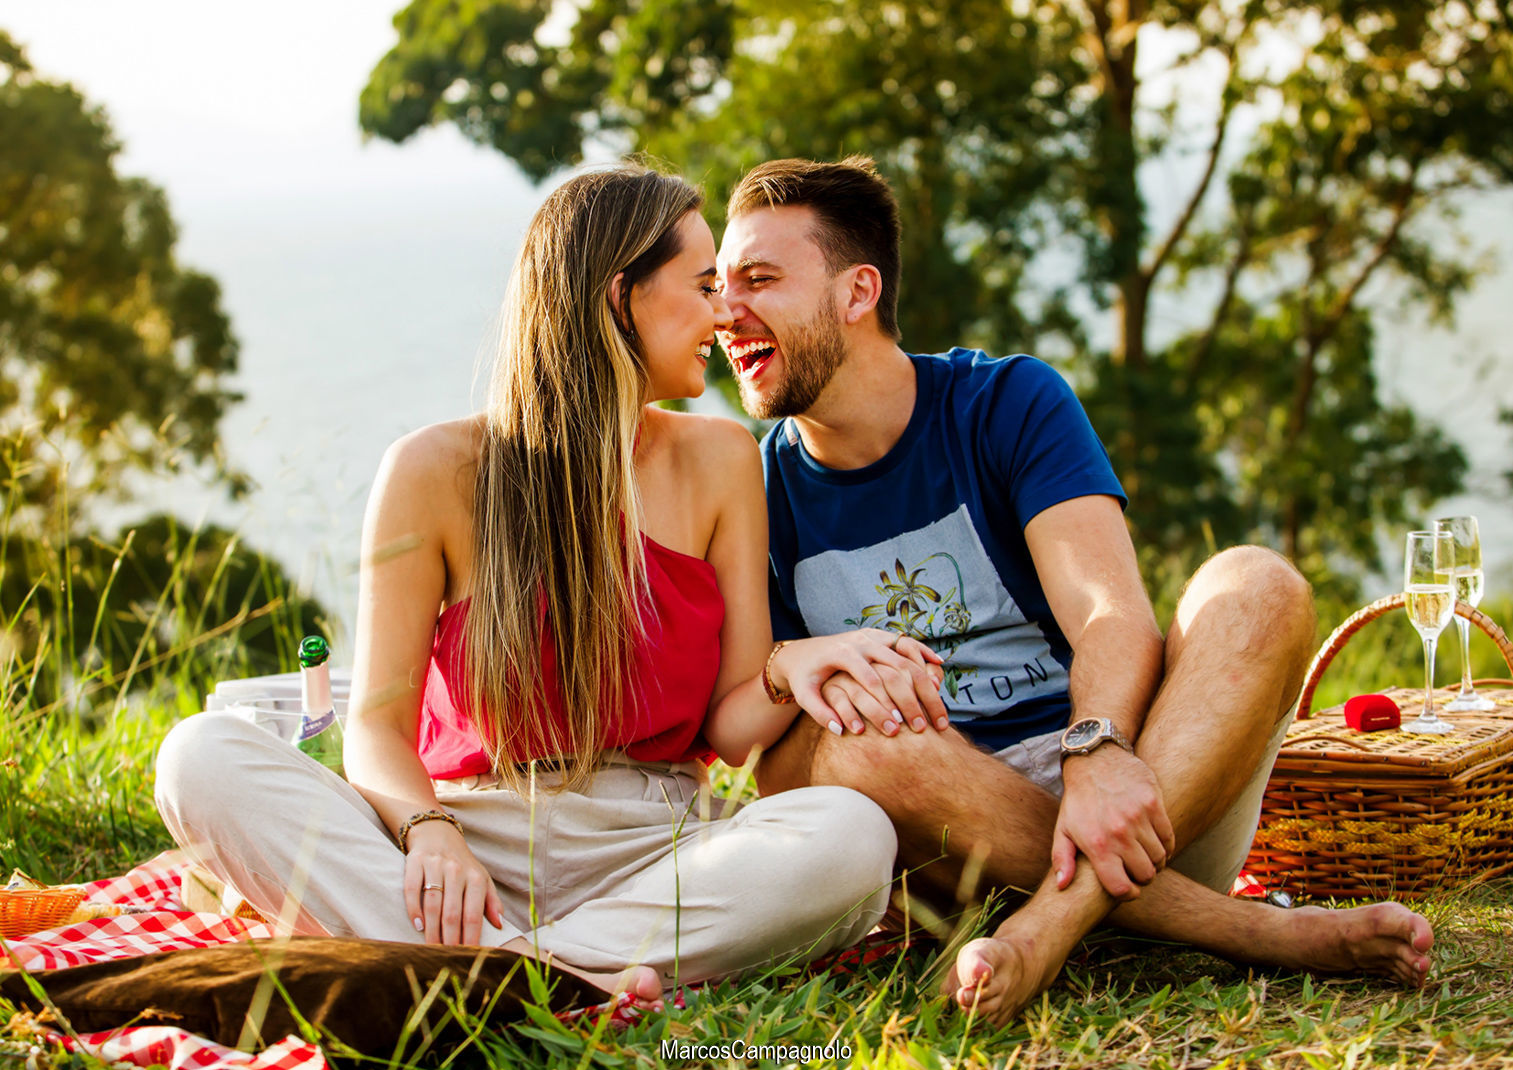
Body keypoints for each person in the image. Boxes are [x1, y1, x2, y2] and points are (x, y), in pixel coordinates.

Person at [154, 165, 947, 1005]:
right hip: (469, 836)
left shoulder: (719, 459)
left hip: (658, 852)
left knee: (850, 837)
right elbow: (376, 727)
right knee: (197, 755)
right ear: (620, 298)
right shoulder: (432, 469)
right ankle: (555, 978)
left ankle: (491, 977)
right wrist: (430, 838)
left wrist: (794, 668)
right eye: (703, 285)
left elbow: (734, 725)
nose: (723, 313)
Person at [713, 156, 1436, 1026]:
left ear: (856, 291)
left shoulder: (1005, 401)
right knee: (848, 750)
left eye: (758, 280)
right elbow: (757, 727)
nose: (725, 312)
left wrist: (1095, 753)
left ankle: (1051, 929)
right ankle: (1251, 933)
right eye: (718, 287)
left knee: (1257, 582)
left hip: (1146, 797)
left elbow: (1106, 607)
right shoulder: (752, 493)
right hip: (953, 851)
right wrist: (791, 659)